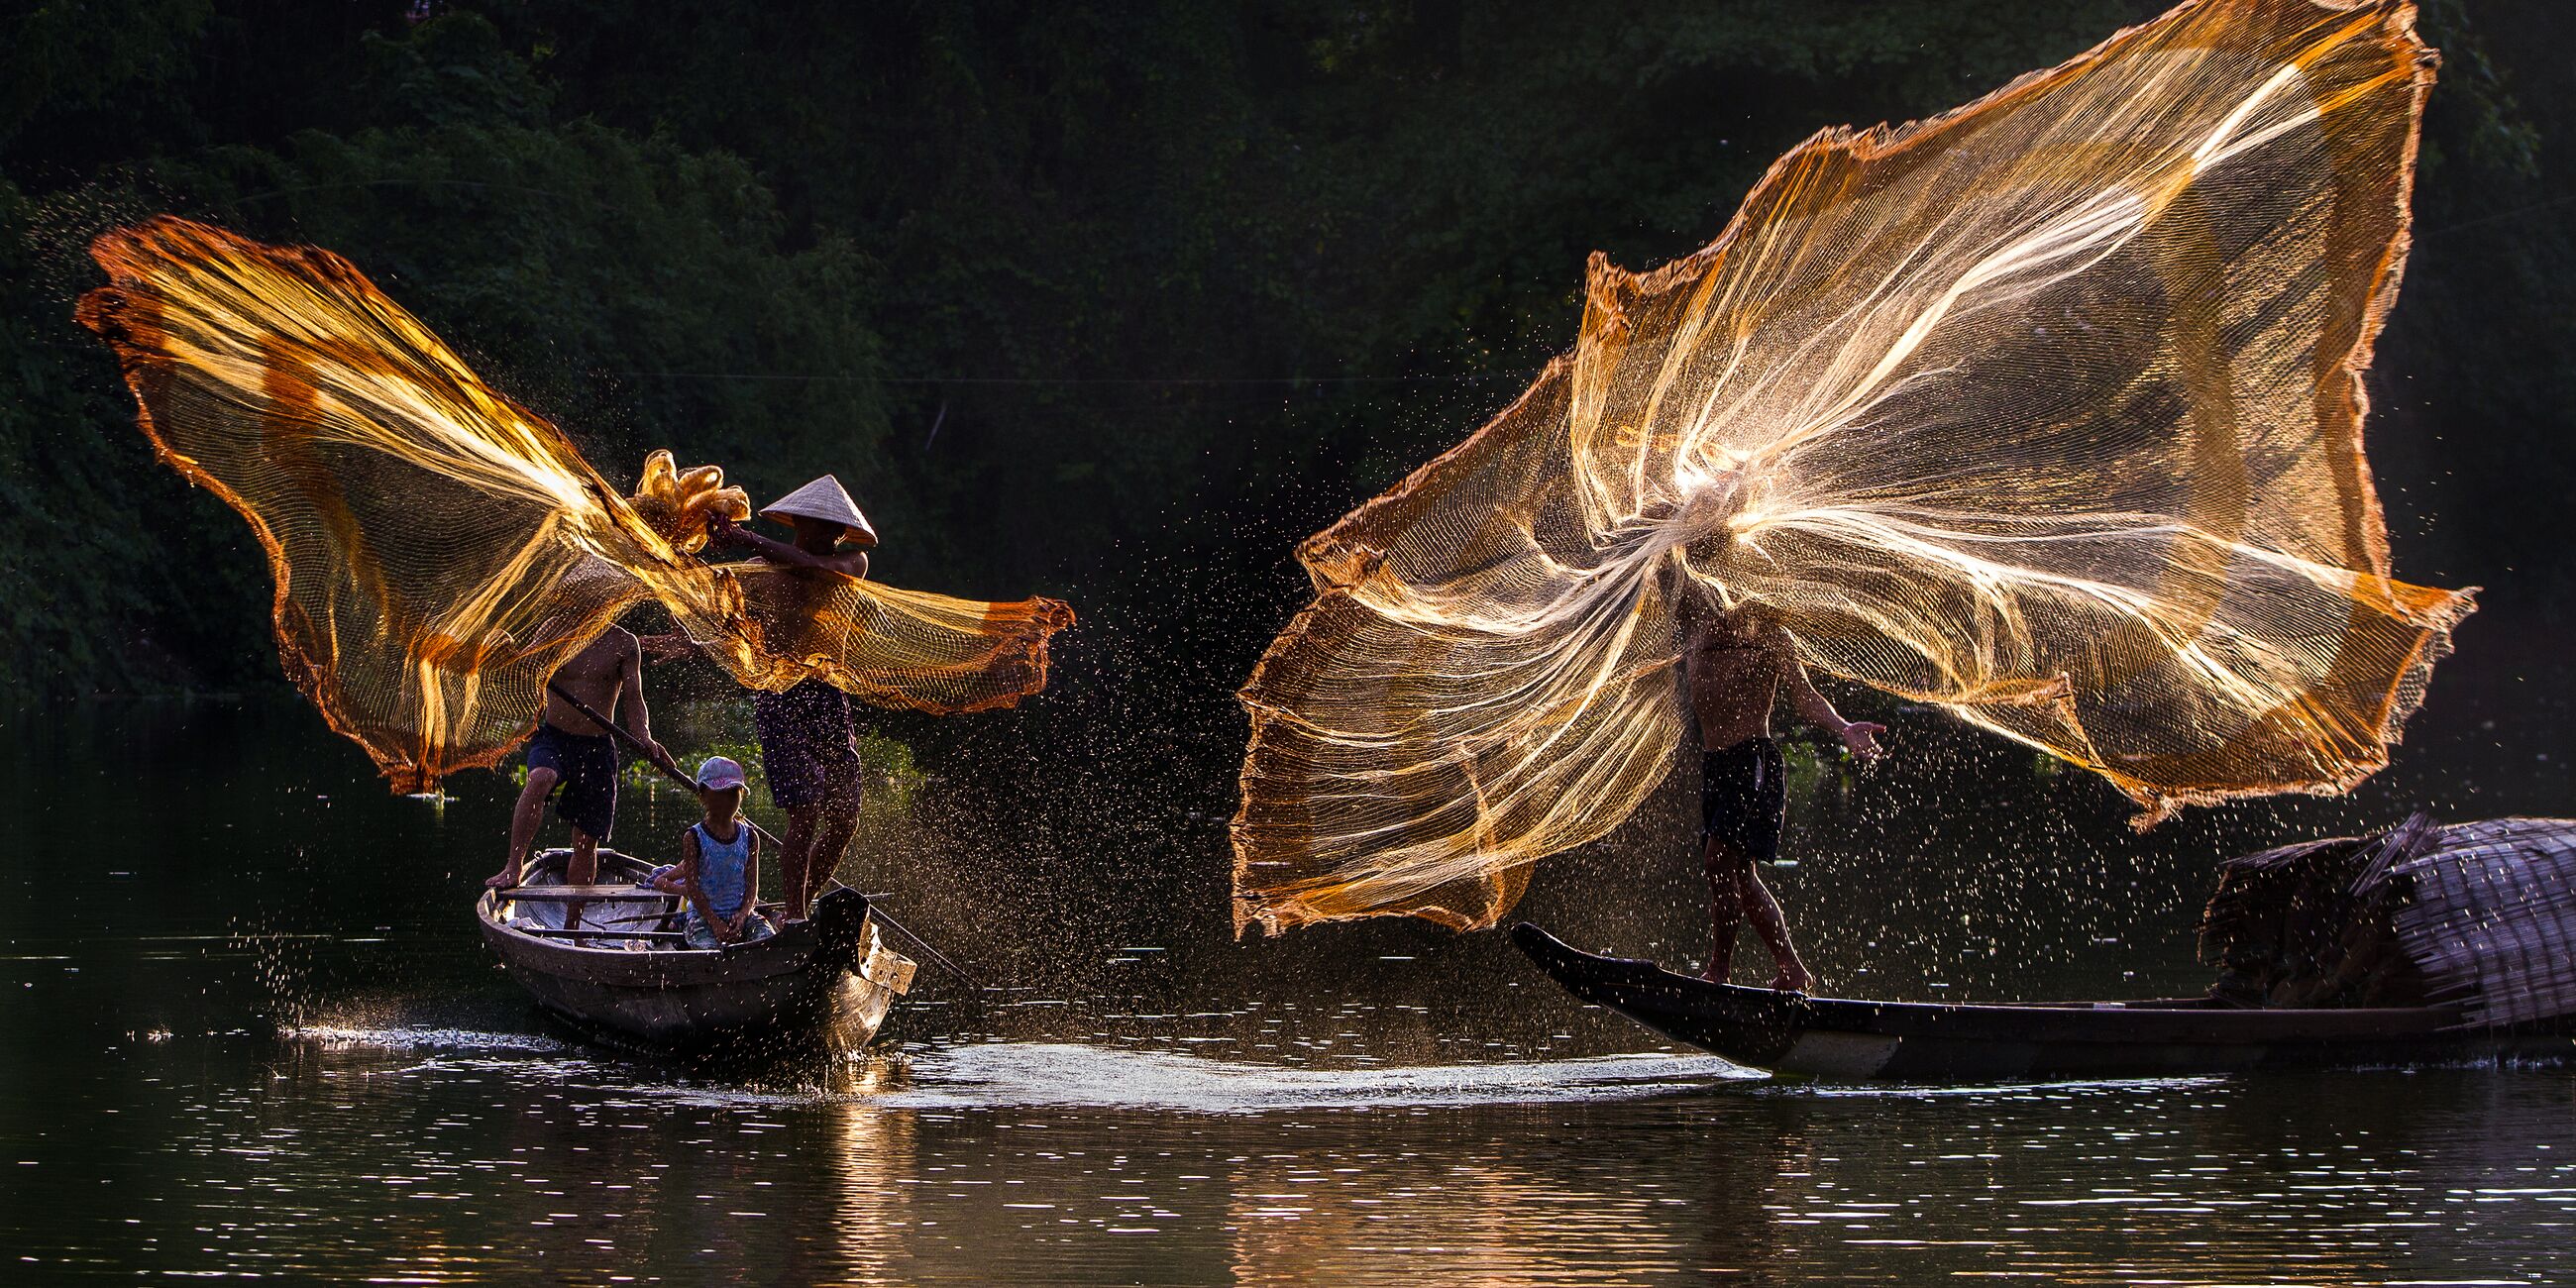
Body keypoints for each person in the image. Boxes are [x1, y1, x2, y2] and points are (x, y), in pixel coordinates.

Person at [649, 475, 876, 921]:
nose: (826, 536)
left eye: (833, 528)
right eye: (817, 526)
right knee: (805, 811)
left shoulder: (852, 562)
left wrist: (744, 536)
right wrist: (686, 640)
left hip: (828, 694)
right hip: (779, 697)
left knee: (844, 816)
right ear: (798, 524)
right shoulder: (760, 569)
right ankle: (795, 915)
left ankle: (802, 905)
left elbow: (817, 570)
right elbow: (722, 616)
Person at [1678, 585, 1884, 992]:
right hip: (1715, 765)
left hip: (1751, 760)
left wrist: (1844, 729)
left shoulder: (1769, 632)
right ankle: (1791, 967)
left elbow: (1805, 696)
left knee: (1719, 860)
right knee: (1738, 873)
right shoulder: (1695, 624)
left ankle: (1719, 970)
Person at [486, 625, 679, 896]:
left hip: (597, 748)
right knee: (541, 778)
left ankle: (574, 927)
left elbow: (634, 698)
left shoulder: (624, 643)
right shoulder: (555, 630)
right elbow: (524, 667)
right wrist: (504, 654)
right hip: (554, 739)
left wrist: (644, 736)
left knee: (586, 842)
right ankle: (513, 867)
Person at [673, 756, 775, 949]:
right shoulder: (693, 837)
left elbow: (752, 886)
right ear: (703, 796)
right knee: (711, 950)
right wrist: (714, 921)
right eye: (719, 793)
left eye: (732, 793)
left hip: (741, 915)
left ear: (741, 795)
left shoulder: (750, 836)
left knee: (767, 938)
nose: (726, 800)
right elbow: (693, 889)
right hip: (704, 917)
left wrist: (744, 915)